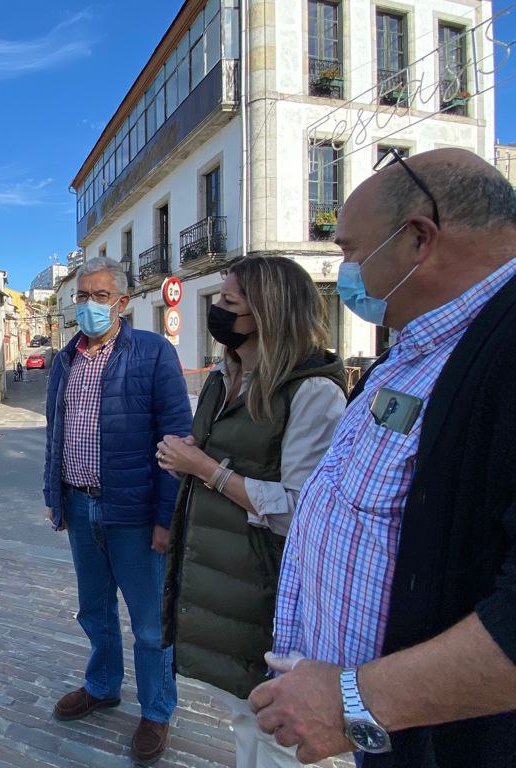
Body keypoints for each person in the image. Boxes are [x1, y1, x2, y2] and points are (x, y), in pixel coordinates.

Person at [247, 148, 516, 767]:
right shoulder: (416, 344)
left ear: (418, 239)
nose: (346, 273)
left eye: (349, 251)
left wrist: (356, 701)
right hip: (395, 733)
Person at [156, 256, 347, 767]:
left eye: (228, 302)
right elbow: (220, 460)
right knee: (244, 717)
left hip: (274, 591)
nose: (216, 310)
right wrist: (188, 460)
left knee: (278, 733)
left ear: (266, 313)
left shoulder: (312, 392)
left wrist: (206, 468)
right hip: (223, 580)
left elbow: (301, 510)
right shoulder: (224, 376)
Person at [43, 256, 192, 765]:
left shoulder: (151, 353)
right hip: (80, 506)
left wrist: (165, 519)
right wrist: (54, 495)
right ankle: (102, 685)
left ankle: (156, 710)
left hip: (134, 515)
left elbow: (176, 440)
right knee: (94, 610)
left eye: (100, 296)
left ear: (123, 303)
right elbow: (55, 434)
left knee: (150, 624)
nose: (89, 305)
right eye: (82, 296)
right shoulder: (65, 360)